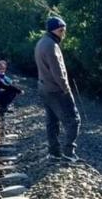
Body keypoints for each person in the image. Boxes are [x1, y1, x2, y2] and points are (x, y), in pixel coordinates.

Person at [34, 16, 81, 162]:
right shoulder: (51, 46)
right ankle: (68, 152)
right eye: (61, 30)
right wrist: (66, 89)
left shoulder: (41, 42)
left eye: (64, 30)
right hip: (56, 90)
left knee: (52, 121)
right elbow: (57, 72)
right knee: (74, 120)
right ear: (53, 30)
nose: (63, 33)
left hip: (44, 87)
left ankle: (54, 153)